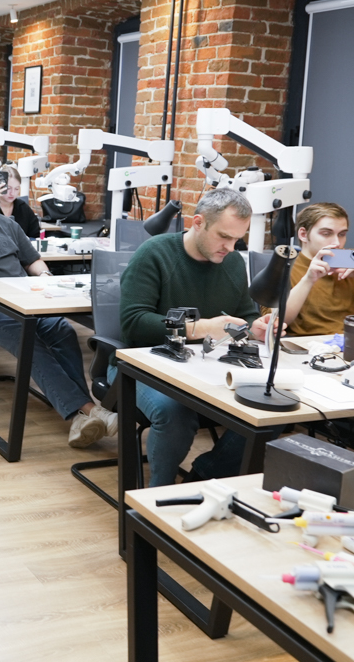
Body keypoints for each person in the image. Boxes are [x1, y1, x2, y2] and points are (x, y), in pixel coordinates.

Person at [0, 170, 115, 447]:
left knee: (63, 330)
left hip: (24, 299)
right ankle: (91, 410)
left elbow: (33, 261)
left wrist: (45, 277)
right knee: (29, 342)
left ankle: (81, 415)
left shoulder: (8, 225)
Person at [120, 189, 272, 487]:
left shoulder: (232, 262)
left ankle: (204, 476)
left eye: (237, 239)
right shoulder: (154, 253)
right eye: (224, 237)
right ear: (198, 222)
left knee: (268, 406)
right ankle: (158, 497)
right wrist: (201, 328)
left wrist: (256, 328)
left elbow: (244, 315)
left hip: (204, 365)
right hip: (140, 366)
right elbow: (133, 325)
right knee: (175, 412)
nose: (230, 247)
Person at [283, 202, 354, 336]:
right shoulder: (283, 270)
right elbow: (275, 323)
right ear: (303, 234)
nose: (337, 243)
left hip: (347, 343)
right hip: (304, 345)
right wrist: (308, 280)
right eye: (326, 234)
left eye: (342, 234)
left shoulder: (350, 272)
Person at [0, 164, 41, 237]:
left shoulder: (23, 208)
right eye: (8, 188)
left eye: (16, 189)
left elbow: (35, 235)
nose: (12, 193)